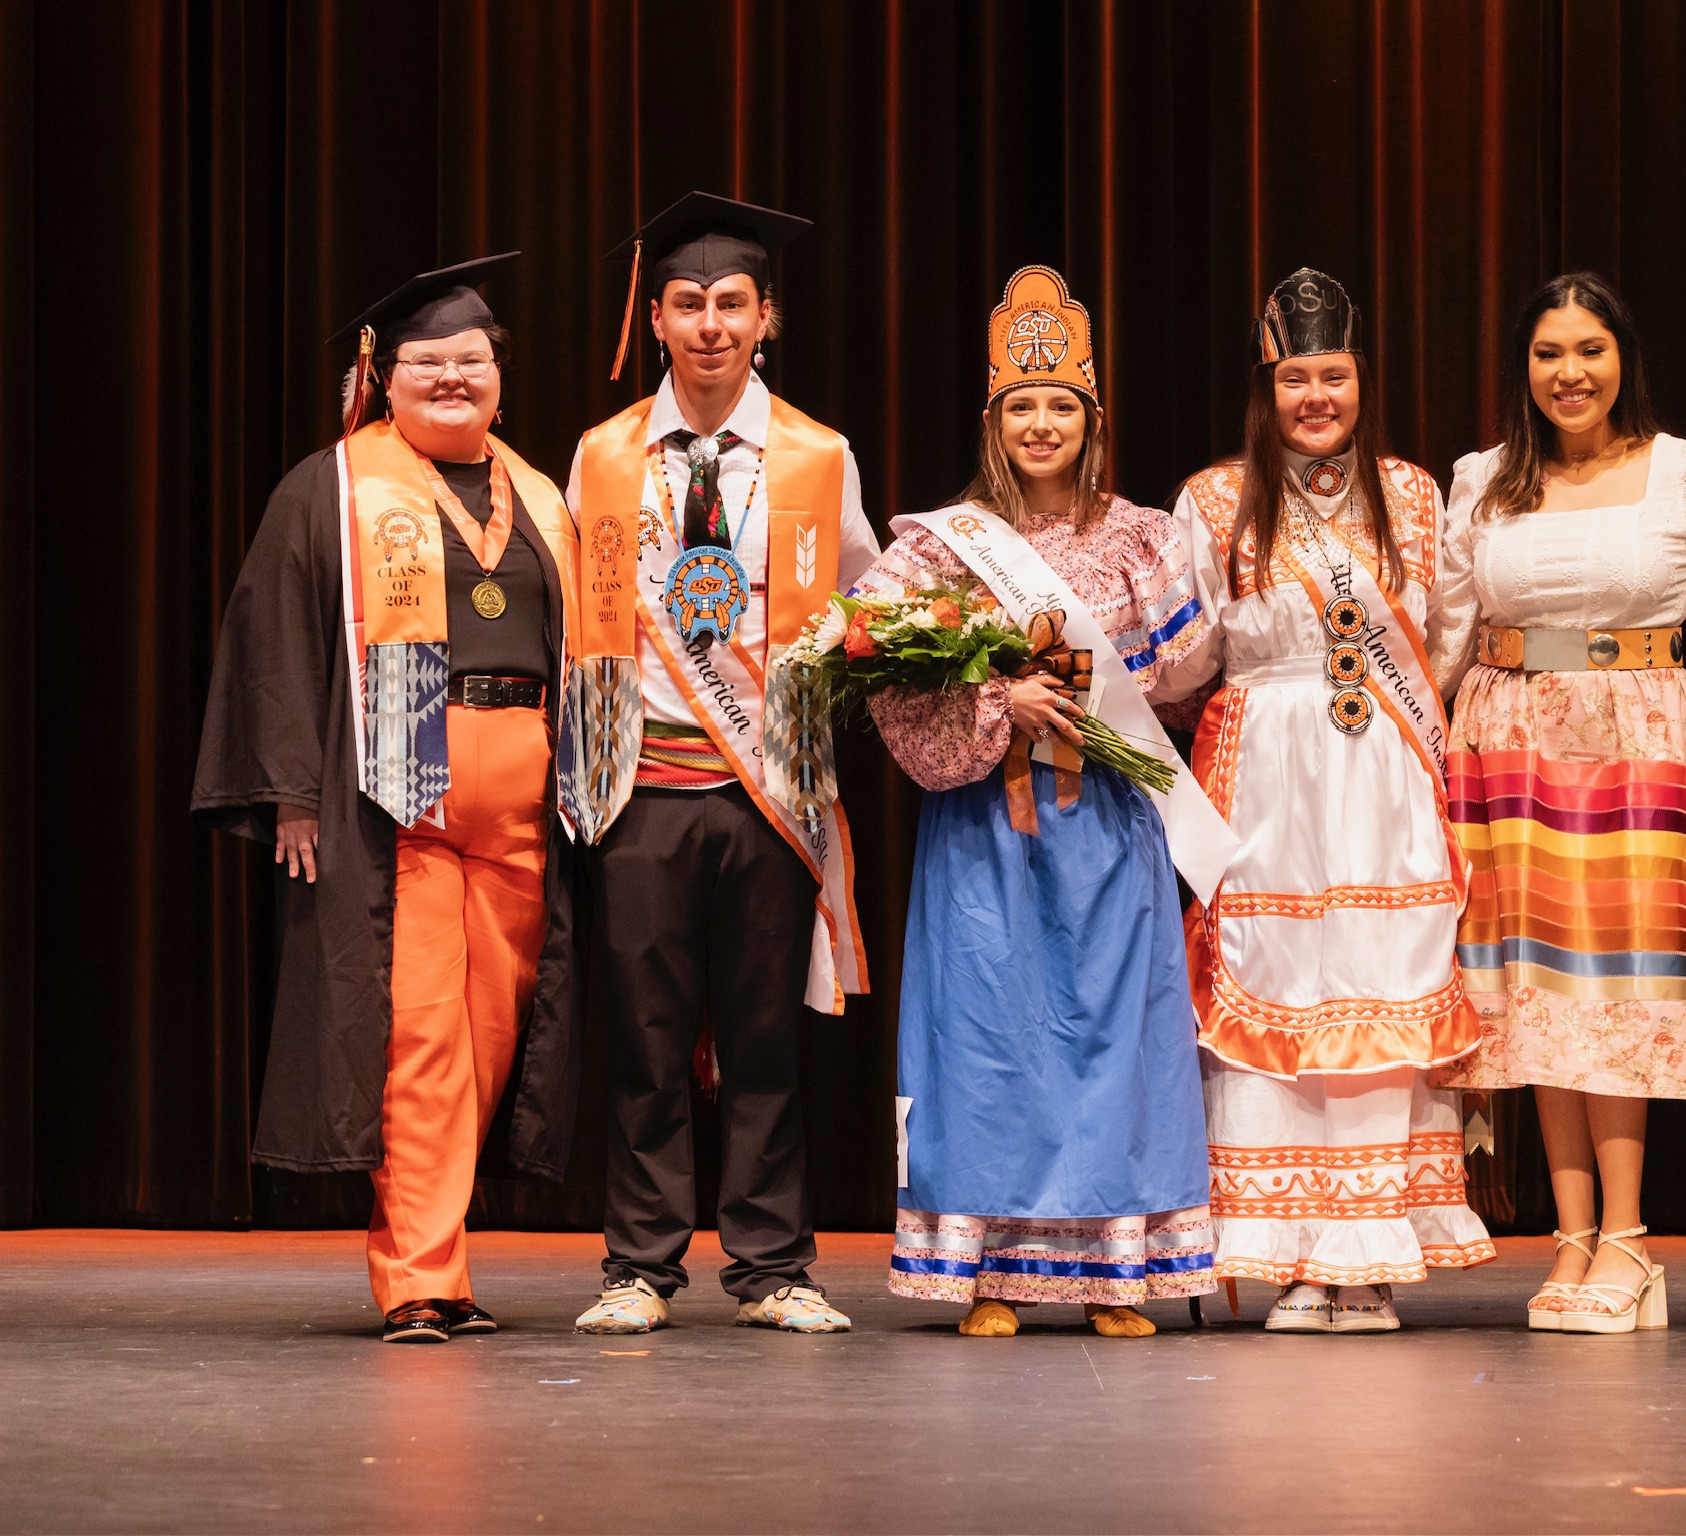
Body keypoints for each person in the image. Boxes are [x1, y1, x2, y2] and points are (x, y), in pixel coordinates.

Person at [194, 256, 588, 1343]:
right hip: (402, 787)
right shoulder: (337, 484)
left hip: (524, 796)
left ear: (499, 372)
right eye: (429, 363)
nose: (453, 378)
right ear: (386, 376)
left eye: (472, 360)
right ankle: (419, 1276)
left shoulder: (542, 491)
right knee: (420, 1034)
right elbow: (272, 636)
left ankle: (444, 1262)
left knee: (490, 1033)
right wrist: (291, 793)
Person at [860, 266, 1233, 1338]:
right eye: (1020, 407)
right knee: (990, 1038)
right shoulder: (938, 546)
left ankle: (1116, 1270)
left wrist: (1088, 682)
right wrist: (996, 694)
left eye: (1059, 406)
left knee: (1114, 1033)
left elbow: (1184, 671)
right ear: (993, 421)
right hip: (987, 830)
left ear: (1091, 419)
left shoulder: (1145, 537)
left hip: (1106, 824)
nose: (1039, 424)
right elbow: (886, 667)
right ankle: (992, 1276)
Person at [1154, 268, 1494, 1334]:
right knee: (1278, 996)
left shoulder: (1416, 493)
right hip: (1264, 766)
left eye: (1334, 376)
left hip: (1383, 770)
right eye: (1295, 377)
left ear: (1361, 381)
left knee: (1384, 986)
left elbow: (1442, 645)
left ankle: (1371, 1256)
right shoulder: (1212, 499)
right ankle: (1291, 1251)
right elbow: (1188, 652)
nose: (1316, 397)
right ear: (1268, 386)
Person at [563, 193, 880, 1336]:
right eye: (688, 304)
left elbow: (865, 593)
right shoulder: (601, 458)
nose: (710, 326)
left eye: (731, 305)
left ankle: (772, 1265)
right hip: (640, 783)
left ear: (767, 319)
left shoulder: (816, 453)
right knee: (644, 1038)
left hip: (768, 789)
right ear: (655, 318)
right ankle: (640, 1267)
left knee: (762, 1039)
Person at [1427, 273, 1686, 1334]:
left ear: (1624, 358)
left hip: (1636, 739)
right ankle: (1572, 1237)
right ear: (1522, 368)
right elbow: (1439, 632)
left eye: (1589, 349)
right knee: (1532, 998)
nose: (1568, 372)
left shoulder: (1683, 471)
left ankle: (1629, 1237)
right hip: (1505, 743)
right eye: (1546, 353)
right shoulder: (1482, 479)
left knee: (1617, 990)